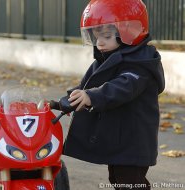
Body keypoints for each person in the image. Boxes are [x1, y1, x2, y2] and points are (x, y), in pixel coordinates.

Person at [62, 0, 165, 189]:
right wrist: (66, 100)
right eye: (95, 37)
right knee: (117, 179)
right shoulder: (107, 58)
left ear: (129, 31)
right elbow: (87, 85)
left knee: (131, 182)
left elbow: (122, 87)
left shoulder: (141, 63)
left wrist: (92, 96)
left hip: (134, 141)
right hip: (118, 139)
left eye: (107, 36)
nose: (99, 42)